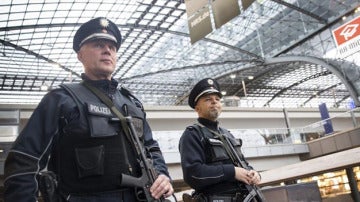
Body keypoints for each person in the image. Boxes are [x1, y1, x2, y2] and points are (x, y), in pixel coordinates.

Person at [4, 17, 174, 202]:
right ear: (80, 55)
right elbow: (23, 161)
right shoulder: (61, 100)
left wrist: (163, 175)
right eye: (98, 44)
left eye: (112, 47)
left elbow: (151, 147)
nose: (107, 50)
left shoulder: (132, 103)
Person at [179, 78, 262, 201]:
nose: (214, 102)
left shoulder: (227, 134)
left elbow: (243, 163)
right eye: (208, 99)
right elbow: (193, 174)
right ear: (197, 108)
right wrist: (231, 172)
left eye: (217, 99)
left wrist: (254, 173)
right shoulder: (192, 134)